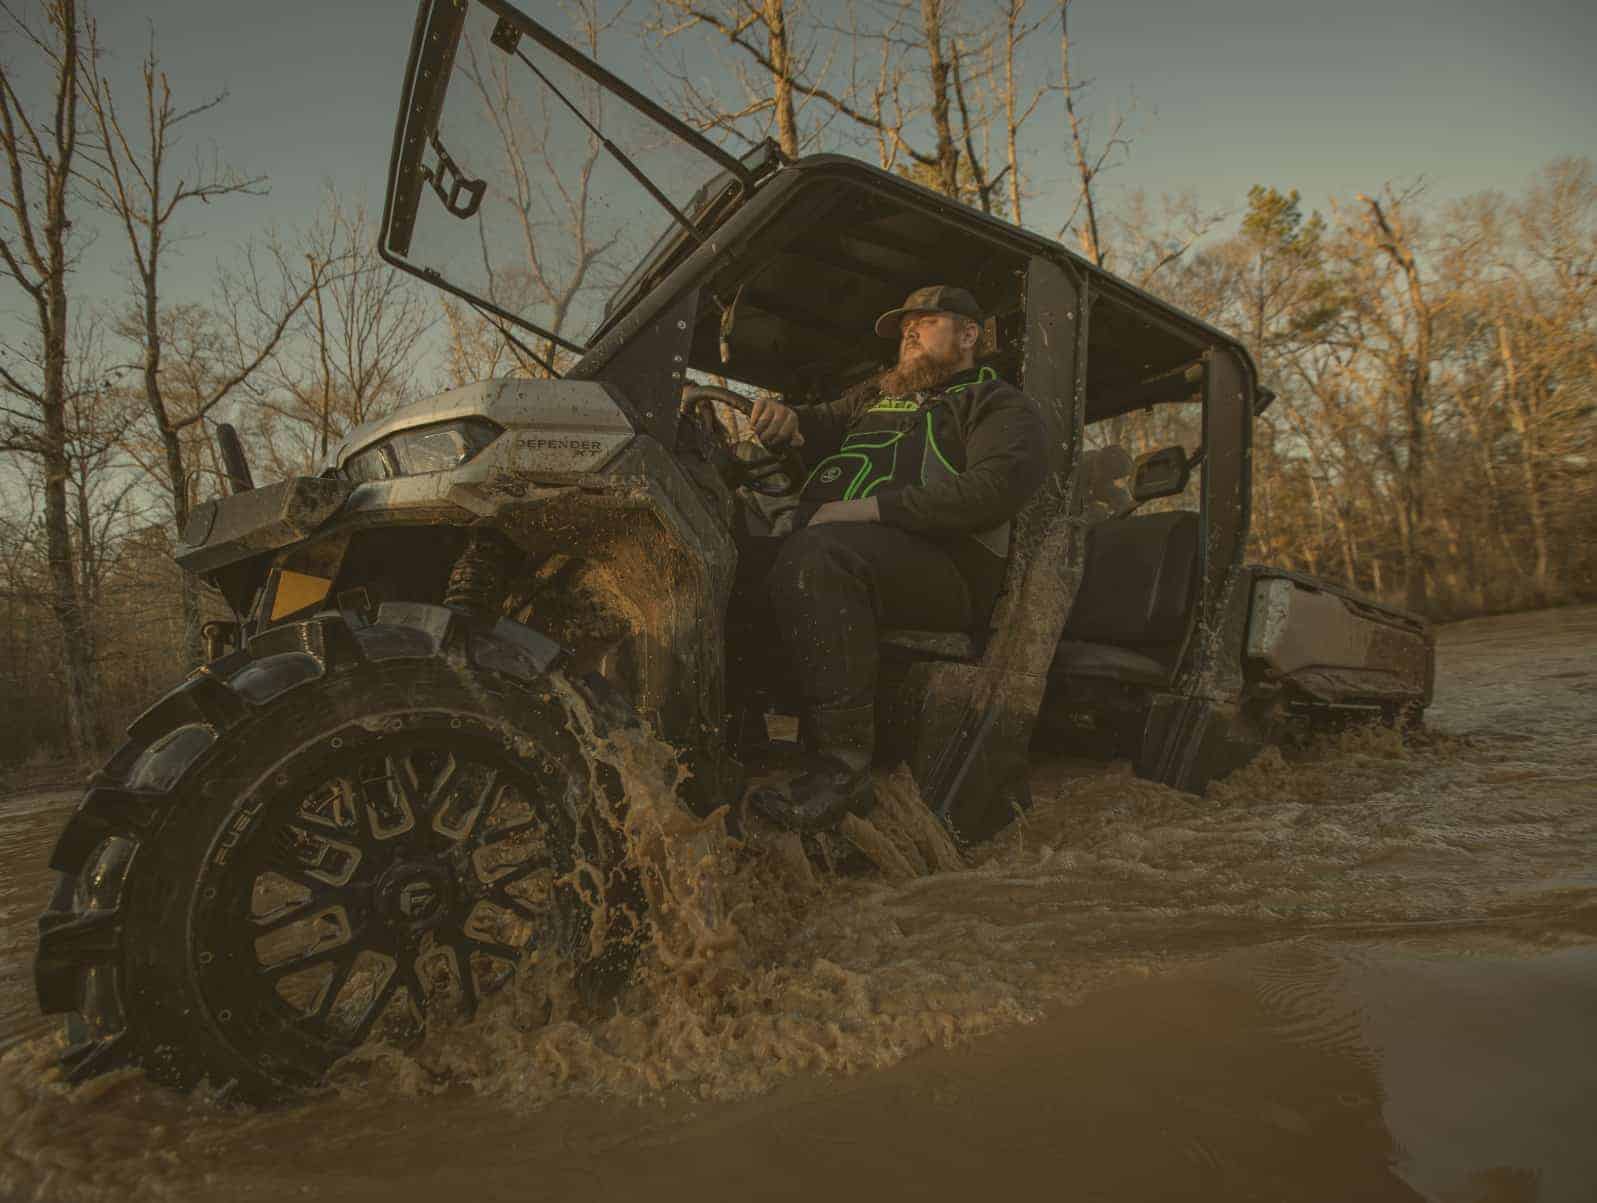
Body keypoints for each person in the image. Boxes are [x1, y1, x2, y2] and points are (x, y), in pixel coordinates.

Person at [735, 284, 1050, 831]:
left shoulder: (997, 403)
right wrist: (783, 420)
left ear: (969, 335)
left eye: (926, 321)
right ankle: (734, 739)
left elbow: (994, 488)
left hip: (946, 572)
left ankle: (842, 770)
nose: (909, 330)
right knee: (731, 558)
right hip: (844, 550)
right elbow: (812, 422)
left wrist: (862, 511)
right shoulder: (874, 397)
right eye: (905, 325)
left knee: (820, 554)